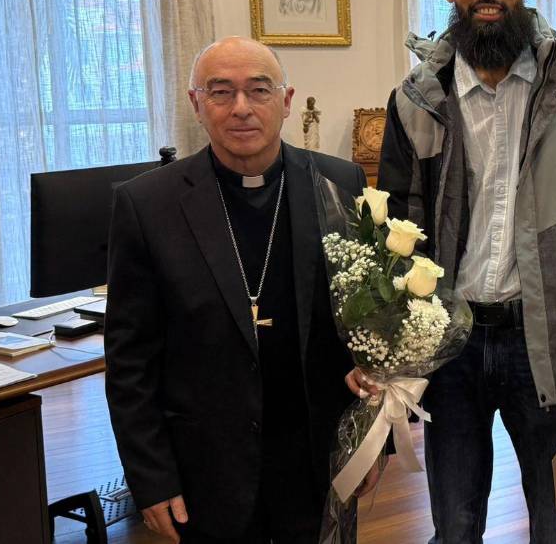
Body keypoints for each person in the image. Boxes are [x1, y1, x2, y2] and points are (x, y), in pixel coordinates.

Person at [376, 0, 556, 543]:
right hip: (452, 347)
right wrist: (397, 349)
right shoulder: (417, 97)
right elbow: (397, 230)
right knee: (454, 527)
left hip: (546, 346)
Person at [105, 36, 380, 543]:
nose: (241, 108)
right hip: (206, 467)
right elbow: (130, 362)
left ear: (286, 100)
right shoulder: (147, 204)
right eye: (220, 92)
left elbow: (367, 333)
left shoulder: (340, 183)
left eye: (258, 89)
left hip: (316, 457)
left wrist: (369, 443)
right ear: (196, 104)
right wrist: (151, 477)